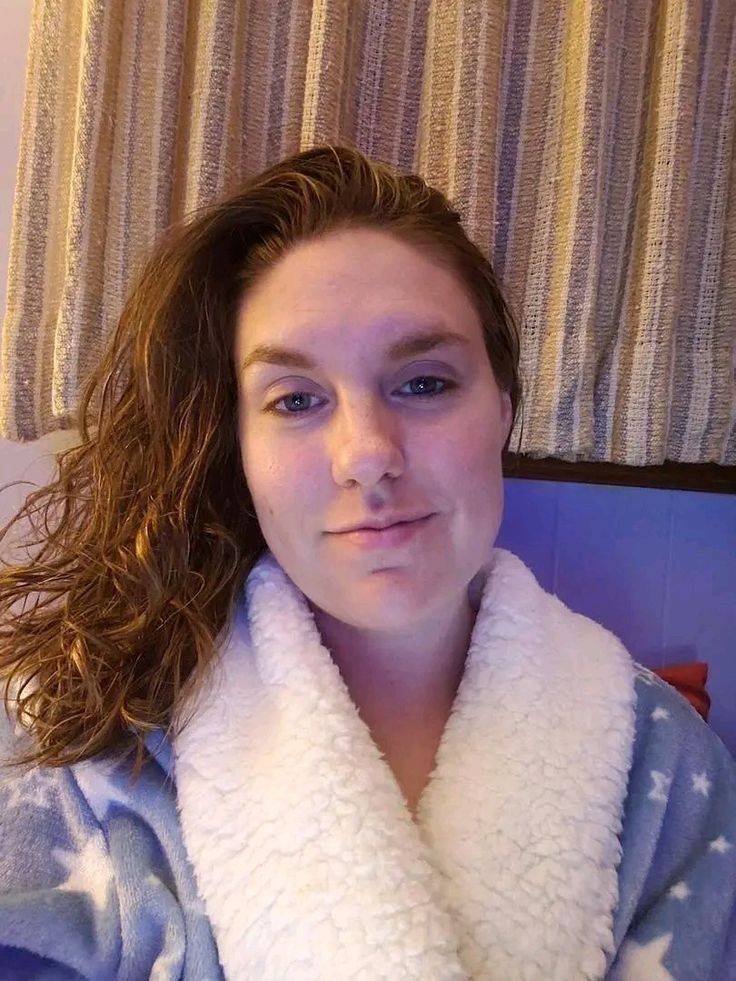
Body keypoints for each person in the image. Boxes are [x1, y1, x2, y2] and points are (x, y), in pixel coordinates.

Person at [0, 142, 733, 980]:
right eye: (295, 400)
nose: (367, 454)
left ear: (502, 406)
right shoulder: (76, 745)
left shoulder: (669, 768)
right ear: (237, 446)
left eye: (424, 383)